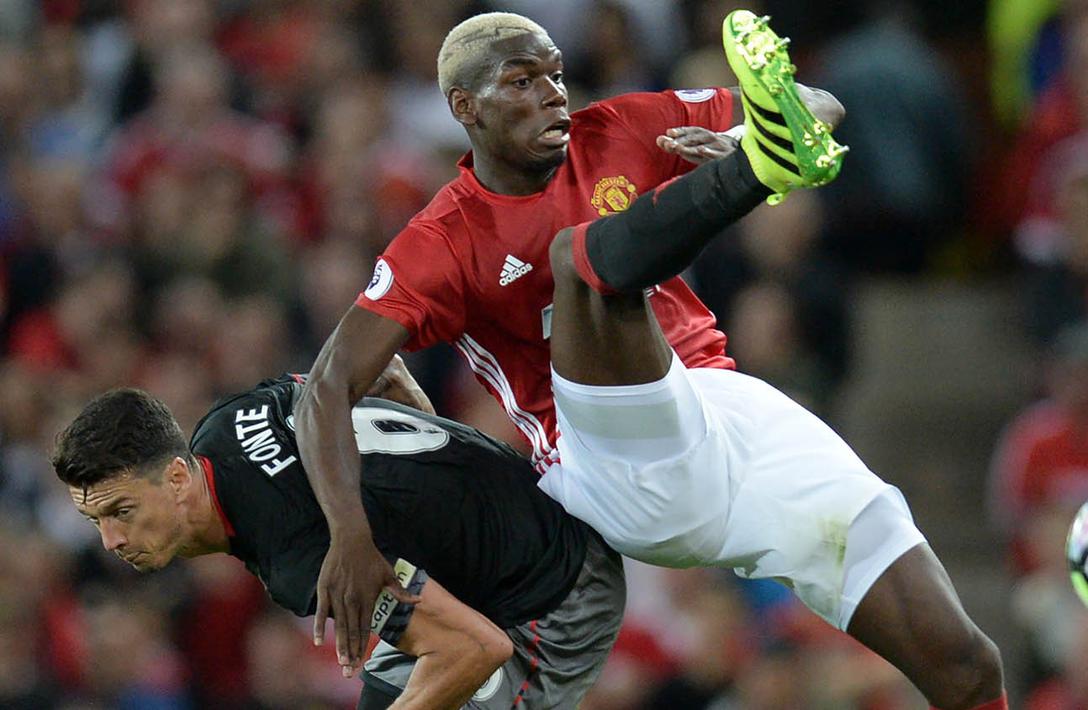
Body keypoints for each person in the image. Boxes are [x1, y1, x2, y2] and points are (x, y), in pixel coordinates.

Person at [297, 9, 1007, 710]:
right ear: (464, 108)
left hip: (723, 413)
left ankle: (758, 157)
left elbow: (821, 102)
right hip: (607, 469)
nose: (552, 93)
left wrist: (763, 122)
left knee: (966, 664)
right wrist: (349, 535)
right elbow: (327, 385)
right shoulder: (442, 240)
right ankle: (758, 169)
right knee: (578, 260)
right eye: (521, 80)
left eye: (555, 74)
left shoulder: (617, 128)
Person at [51, 355, 625, 710]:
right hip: (509, 531)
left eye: (120, 512)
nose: (110, 541)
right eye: (95, 521)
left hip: (551, 593)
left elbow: (475, 648)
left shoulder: (299, 557)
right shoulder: (228, 422)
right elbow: (376, 369)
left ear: (176, 477)